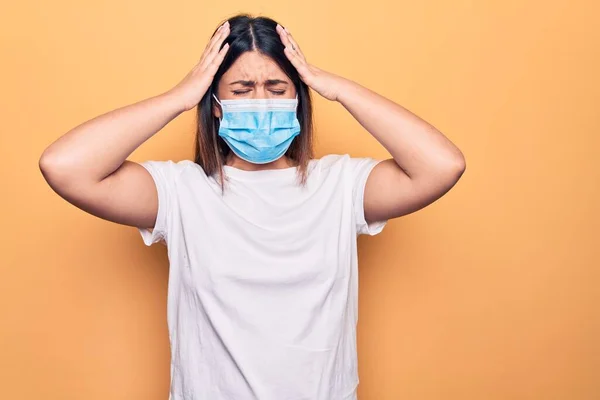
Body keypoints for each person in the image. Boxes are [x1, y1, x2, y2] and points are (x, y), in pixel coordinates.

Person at [39, 13, 465, 400]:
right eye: (242, 90)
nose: (261, 101)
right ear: (217, 106)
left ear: (298, 98)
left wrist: (336, 88)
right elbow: (65, 167)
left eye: (277, 88)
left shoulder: (340, 186)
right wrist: (179, 97)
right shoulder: (181, 193)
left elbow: (442, 166)